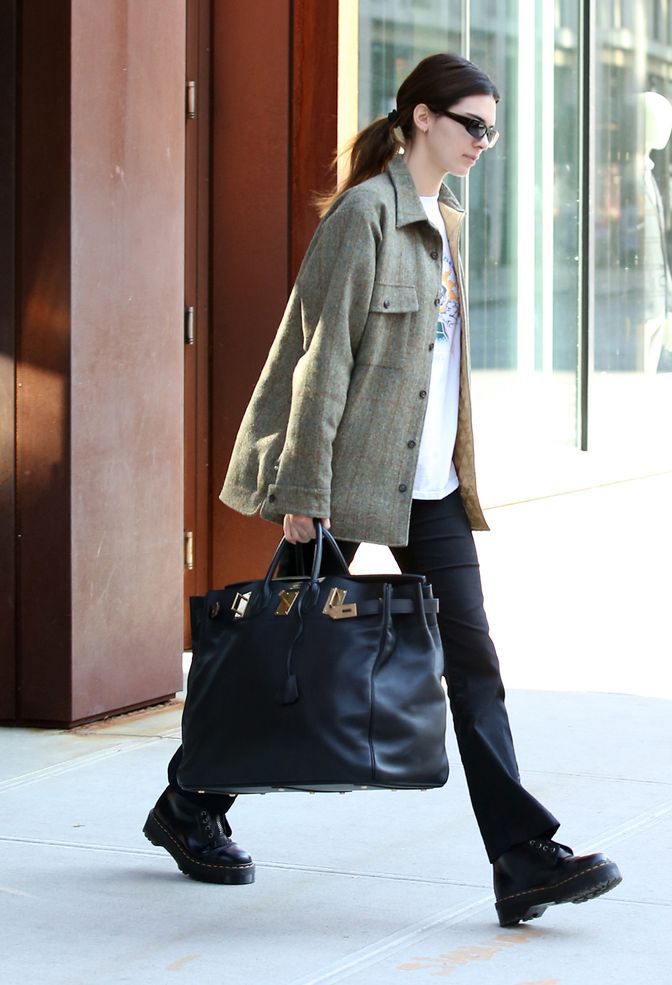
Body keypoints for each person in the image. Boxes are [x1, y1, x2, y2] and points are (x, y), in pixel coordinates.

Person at [144, 53, 622, 927]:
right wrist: (304, 488)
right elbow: (319, 366)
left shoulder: (444, 221)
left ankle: (520, 857)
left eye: (492, 126)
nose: (485, 141)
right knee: (273, 657)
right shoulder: (364, 218)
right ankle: (188, 804)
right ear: (421, 119)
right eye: (473, 123)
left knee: (473, 663)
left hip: (427, 487)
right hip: (340, 481)